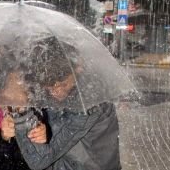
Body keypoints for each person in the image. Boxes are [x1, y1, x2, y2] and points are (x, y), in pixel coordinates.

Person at [12, 36, 121, 170]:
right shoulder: (47, 83)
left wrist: (23, 114)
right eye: (50, 86)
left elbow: (39, 161)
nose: (57, 91)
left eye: (63, 84)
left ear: (78, 67)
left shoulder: (90, 102)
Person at [0, 44, 49, 170]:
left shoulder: (37, 111)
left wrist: (45, 137)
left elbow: (41, 159)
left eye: (21, 98)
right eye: (8, 98)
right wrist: (2, 138)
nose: (14, 104)